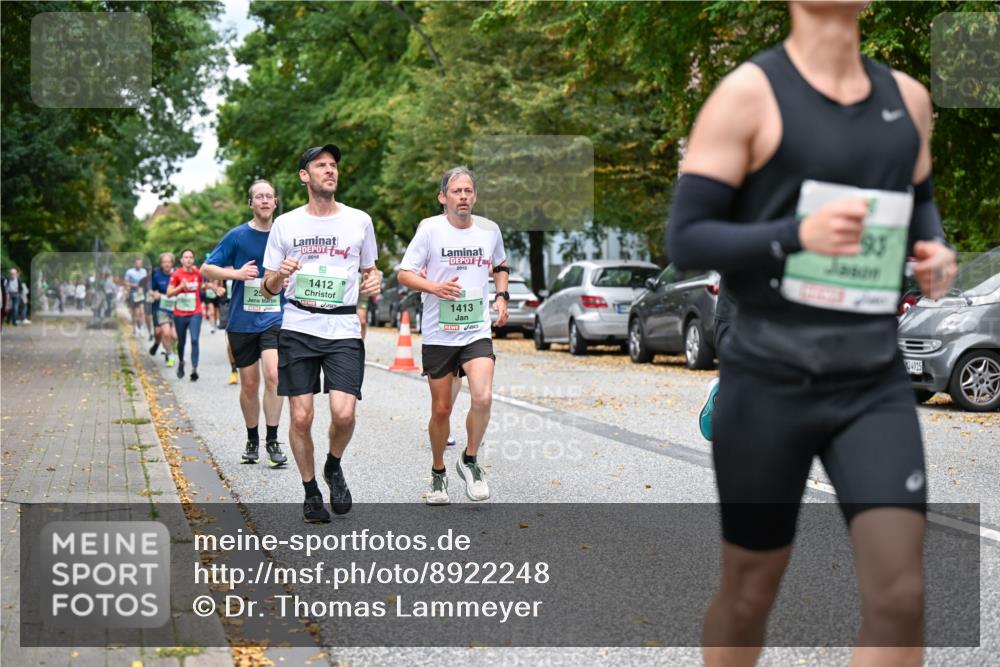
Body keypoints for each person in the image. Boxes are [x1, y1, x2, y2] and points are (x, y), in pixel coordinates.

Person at [666, 2, 958, 665]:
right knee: (749, 594)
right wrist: (795, 235)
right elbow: (686, 238)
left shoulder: (907, 99)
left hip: (872, 381)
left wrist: (932, 250)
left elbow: (921, 204)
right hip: (769, 379)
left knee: (901, 595)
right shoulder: (747, 95)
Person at [261, 144, 381, 522]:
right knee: (300, 417)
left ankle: (332, 465)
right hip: (298, 325)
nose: (330, 171)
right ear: (304, 175)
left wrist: (374, 279)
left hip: (343, 327)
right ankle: (311, 490)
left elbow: (370, 271)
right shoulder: (286, 224)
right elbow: (267, 288)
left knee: (344, 415)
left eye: (333, 166)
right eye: (321, 166)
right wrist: (281, 273)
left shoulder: (359, 220)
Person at [397, 167, 509, 505]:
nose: (463, 197)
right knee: (442, 409)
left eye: (468, 191)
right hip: (439, 333)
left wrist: (501, 297)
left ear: (474, 196)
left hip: (475, 330)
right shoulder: (430, 230)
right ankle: (438, 473)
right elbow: (404, 274)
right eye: (456, 191)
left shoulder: (489, 230)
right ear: (443, 197)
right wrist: (434, 287)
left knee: (483, 397)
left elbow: (500, 265)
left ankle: (470, 460)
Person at [203, 179, 288, 468]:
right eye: (259, 197)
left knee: (274, 374)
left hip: (276, 317)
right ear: (251, 203)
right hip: (242, 320)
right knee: (249, 384)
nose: (264, 201)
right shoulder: (237, 236)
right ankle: (252, 439)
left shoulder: (286, 234)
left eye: (269, 196)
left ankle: (273, 440)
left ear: (275, 202)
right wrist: (236, 274)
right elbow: (206, 268)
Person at [167, 249, 204, 381]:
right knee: (181, 342)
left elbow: (200, 287)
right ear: (181, 260)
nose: (188, 259)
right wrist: (180, 288)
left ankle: (194, 368)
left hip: (195, 312)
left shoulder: (198, 273)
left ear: (193, 260)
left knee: (194, 339)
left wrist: (214, 287)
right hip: (180, 314)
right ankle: (181, 362)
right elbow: (169, 293)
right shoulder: (176, 274)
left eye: (190, 257)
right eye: (185, 257)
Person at [149, 252, 177, 367]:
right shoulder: (156, 274)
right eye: (164, 262)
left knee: (174, 336)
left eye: (168, 262)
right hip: (160, 307)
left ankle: (168, 348)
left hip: (175, 307)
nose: (166, 264)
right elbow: (150, 289)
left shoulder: (177, 274)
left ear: (172, 263)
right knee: (161, 332)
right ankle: (166, 351)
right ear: (161, 264)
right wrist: (153, 293)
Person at [124, 257, 148, 336]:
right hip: (133, 294)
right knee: (135, 314)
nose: (139, 265)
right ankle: (135, 329)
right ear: (134, 264)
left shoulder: (144, 271)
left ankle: (141, 328)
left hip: (141, 293)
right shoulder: (129, 272)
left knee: (142, 312)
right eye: (137, 263)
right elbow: (126, 283)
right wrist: (135, 286)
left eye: (140, 263)